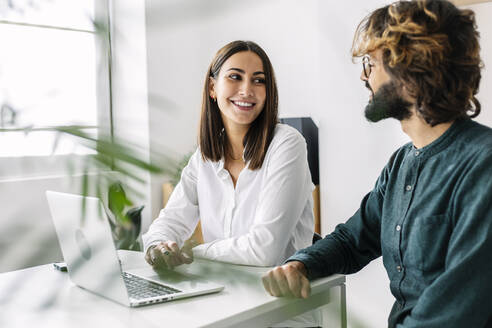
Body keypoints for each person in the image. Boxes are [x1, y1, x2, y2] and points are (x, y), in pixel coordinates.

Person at [262, 1, 492, 327]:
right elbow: (352, 240)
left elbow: (455, 314)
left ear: (411, 66)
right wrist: (300, 265)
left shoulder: (483, 165)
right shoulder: (400, 164)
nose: (363, 75)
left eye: (370, 62)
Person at [142, 40, 321, 327]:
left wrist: (190, 253)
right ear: (213, 88)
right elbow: (167, 224)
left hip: (283, 314)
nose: (247, 90)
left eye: (258, 80)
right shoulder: (204, 157)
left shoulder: (287, 144)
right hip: (224, 307)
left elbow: (265, 251)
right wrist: (157, 249)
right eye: (235, 76)